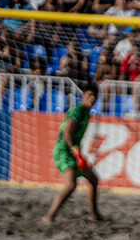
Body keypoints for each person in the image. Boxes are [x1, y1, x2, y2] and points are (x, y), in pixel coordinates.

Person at [43, 82, 102, 224]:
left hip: (73, 151)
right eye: (89, 95)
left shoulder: (87, 113)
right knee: (71, 185)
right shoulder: (78, 111)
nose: (92, 98)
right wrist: (77, 153)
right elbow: (67, 134)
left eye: (94, 96)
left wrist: (78, 153)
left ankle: (94, 215)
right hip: (64, 151)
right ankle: (49, 217)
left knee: (93, 180)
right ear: (83, 96)